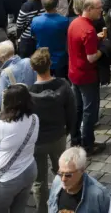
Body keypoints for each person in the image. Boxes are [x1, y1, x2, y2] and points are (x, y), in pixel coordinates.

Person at [27, 49, 76, 211]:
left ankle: (42, 209)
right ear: (50, 64)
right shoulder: (63, 85)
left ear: (33, 68)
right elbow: (72, 112)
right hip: (58, 136)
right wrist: (67, 130)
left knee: (39, 181)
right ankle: (65, 204)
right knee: (62, 172)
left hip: (37, 141)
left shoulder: (29, 93)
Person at [0, 85, 39, 213]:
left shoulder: (3, 126)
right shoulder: (35, 119)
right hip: (29, 169)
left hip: (6, 178)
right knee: (19, 209)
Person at [67, 0, 106, 154]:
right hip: (87, 76)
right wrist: (103, 49)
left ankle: (75, 139)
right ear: (89, 9)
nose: (101, 11)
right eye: (99, 8)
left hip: (74, 72)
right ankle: (88, 144)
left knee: (77, 108)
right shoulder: (89, 30)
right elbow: (91, 57)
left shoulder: (74, 23)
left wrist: (95, 39)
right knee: (89, 110)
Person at [49, 146, 109, 213]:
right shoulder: (57, 181)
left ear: (82, 170)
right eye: (60, 173)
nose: (63, 179)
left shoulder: (98, 194)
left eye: (68, 175)